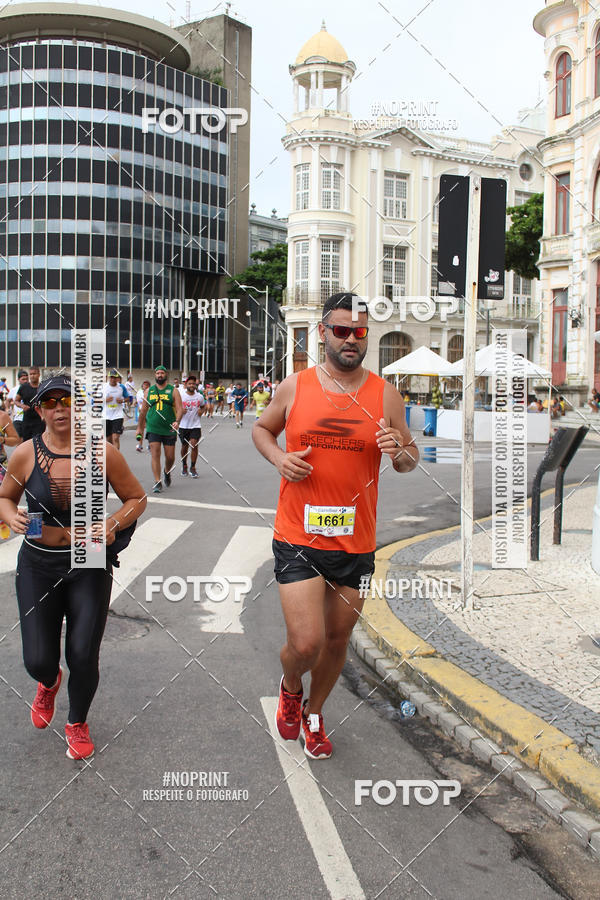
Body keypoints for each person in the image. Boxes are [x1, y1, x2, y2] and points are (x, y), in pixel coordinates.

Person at [253, 292, 419, 759]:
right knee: (306, 644)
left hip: (356, 544)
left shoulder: (385, 394)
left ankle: (315, 712)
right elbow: (262, 430)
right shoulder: (295, 386)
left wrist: (398, 451)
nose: (351, 339)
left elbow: (410, 458)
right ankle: (291, 686)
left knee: (337, 638)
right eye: (341, 330)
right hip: (298, 537)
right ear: (323, 333)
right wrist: (279, 458)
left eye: (359, 331)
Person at [0, 375, 147, 759]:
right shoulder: (25, 454)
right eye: (50, 402)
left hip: (88, 561)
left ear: (79, 406)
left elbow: (136, 498)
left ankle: (77, 722)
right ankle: (49, 682)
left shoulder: (103, 453)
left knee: (82, 653)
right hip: (38, 563)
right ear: (39, 409)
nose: (59, 408)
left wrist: (112, 523)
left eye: (66, 400)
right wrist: (11, 516)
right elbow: (5, 497)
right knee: (38, 660)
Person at [136, 365, 183, 493]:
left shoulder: (173, 390)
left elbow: (180, 409)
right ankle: (157, 481)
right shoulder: (149, 391)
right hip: (153, 427)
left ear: (166, 375)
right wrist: (139, 428)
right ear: (155, 375)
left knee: (170, 457)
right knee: (155, 454)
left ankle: (167, 471)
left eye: (162, 373)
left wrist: (177, 421)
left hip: (169, 428)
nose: (160, 375)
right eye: (158, 373)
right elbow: (143, 411)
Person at [178, 375, 205, 477]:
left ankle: (193, 467)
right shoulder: (181, 396)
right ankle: (184, 465)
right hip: (183, 425)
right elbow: (175, 407)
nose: (192, 385)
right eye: (190, 383)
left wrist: (201, 411)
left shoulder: (199, 396)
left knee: (194, 445)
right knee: (184, 446)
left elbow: (203, 406)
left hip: (195, 425)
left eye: (193, 383)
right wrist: (180, 410)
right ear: (186, 385)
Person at [15, 367, 45, 441]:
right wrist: (22, 406)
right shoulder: (24, 387)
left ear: (39, 374)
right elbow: (16, 401)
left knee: (39, 441)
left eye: (34, 374)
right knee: (26, 442)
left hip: (39, 420)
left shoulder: (43, 387)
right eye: (30, 374)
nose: (32, 376)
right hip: (27, 420)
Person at [103, 369, 126, 450]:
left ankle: (116, 456)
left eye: (114, 378)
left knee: (115, 438)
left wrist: (122, 400)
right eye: (111, 377)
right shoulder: (103, 387)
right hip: (106, 416)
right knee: (109, 440)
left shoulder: (121, 387)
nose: (113, 379)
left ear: (117, 378)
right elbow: (95, 400)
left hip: (118, 415)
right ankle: (112, 455)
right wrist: (105, 400)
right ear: (108, 378)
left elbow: (129, 398)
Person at [7, 370, 28, 438]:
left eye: (26, 379)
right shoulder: (14, 390)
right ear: (18, 379)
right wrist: (7, 409)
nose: (25, 381)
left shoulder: (31, 389)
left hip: (29, 419)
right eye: (23, 379)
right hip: (18, 419)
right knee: (17, 439)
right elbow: (8, 400)